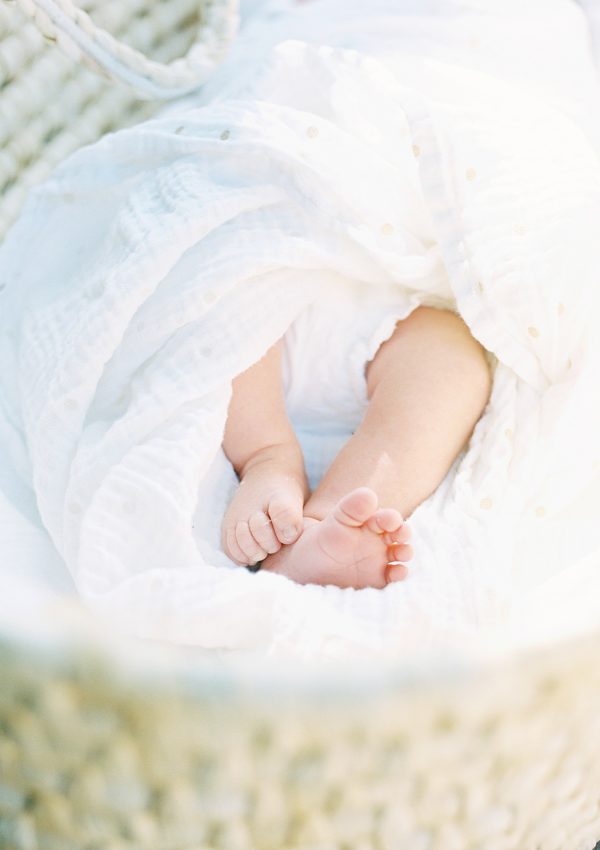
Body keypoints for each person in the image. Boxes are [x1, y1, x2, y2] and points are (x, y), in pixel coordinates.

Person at [220, 300, 492, 589]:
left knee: (449, 362)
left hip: (398, 310)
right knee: (229, 315)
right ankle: (268, 458)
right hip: (278, 298)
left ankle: (324, 525)